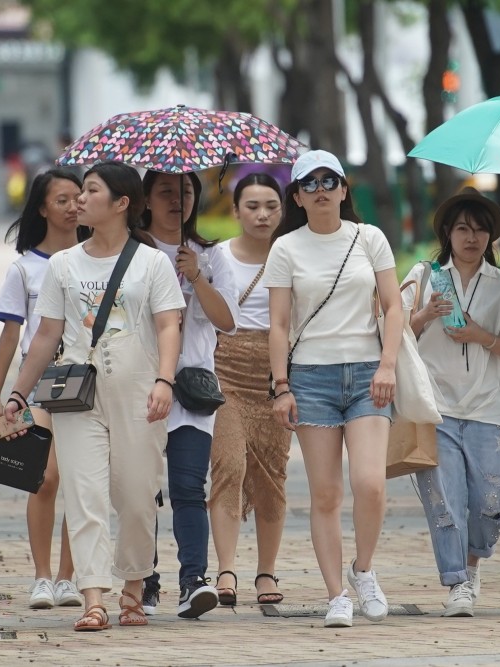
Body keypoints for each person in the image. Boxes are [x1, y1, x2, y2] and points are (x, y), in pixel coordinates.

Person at [2, 161, 185, 631]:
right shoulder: (63, 265)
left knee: (138, 497)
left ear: (121, 203)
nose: (79, 200)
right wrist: (19, 394)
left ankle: (132, 587)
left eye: (91, 191)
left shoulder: (152, 262)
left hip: (140, 394)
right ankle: (94, 599)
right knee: (84, 494)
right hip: (76, 395)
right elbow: (45, 335)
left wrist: (165, 381)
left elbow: (169, 325)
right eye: (80, 191)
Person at [263, 150, 403, 628]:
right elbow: (278, 324)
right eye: (310, 183)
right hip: (311, 377)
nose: (321, 189)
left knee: (370, 483)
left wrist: (388, 366)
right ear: (298, 197)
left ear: (345, 190)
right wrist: (281, 386)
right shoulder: (286, 249)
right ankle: (336, 594)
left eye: (330, 180)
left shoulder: (370, 239)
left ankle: (364, 570)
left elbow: (393, 306)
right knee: (325, 493)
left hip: (368, 374)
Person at [403, 188, 500, 617]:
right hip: (433, 406)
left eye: (479, 230)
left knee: (488, 501)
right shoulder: (423, 276)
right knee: (444, 499)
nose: (471, 237)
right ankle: (456, 581)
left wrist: (481, 335)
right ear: (447, 233)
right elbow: (393, 332)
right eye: (462, 228)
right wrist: (423, 317)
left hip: (489, 408)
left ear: (491, 237)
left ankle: (474, 562)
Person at [0, 168, 89, 609]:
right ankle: (43, 577)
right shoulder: (24, 267)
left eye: (77, 198)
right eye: (61, 199)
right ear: (42, 207)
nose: (71, 207)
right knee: (44, 477)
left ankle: (69, 576)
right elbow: (12, 334)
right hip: (40, 379)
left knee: (81, 482)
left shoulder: (96, 258)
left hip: (87, 378)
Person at [139, 170, 239, 619]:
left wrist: (197, 277)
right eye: (165, 192)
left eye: (185, 192)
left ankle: (193, 581)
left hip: (193, 391)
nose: (177, 200)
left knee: (187, 487)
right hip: (139, 386)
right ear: (144, 200)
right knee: (139, 489)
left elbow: (227, 321)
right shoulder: (130, 254)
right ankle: (144, 576)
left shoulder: (212, 256)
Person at [208, 172, 291, 607]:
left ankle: (266, 573)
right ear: (236, 210)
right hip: (226, 372)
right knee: (227, 464)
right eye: (253, 206)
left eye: (271, 206)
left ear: (282, 209)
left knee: (272, 476)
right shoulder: (217, 257)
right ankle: (225, 569)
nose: (262, 215)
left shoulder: (293, 253)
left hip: (277, 375)